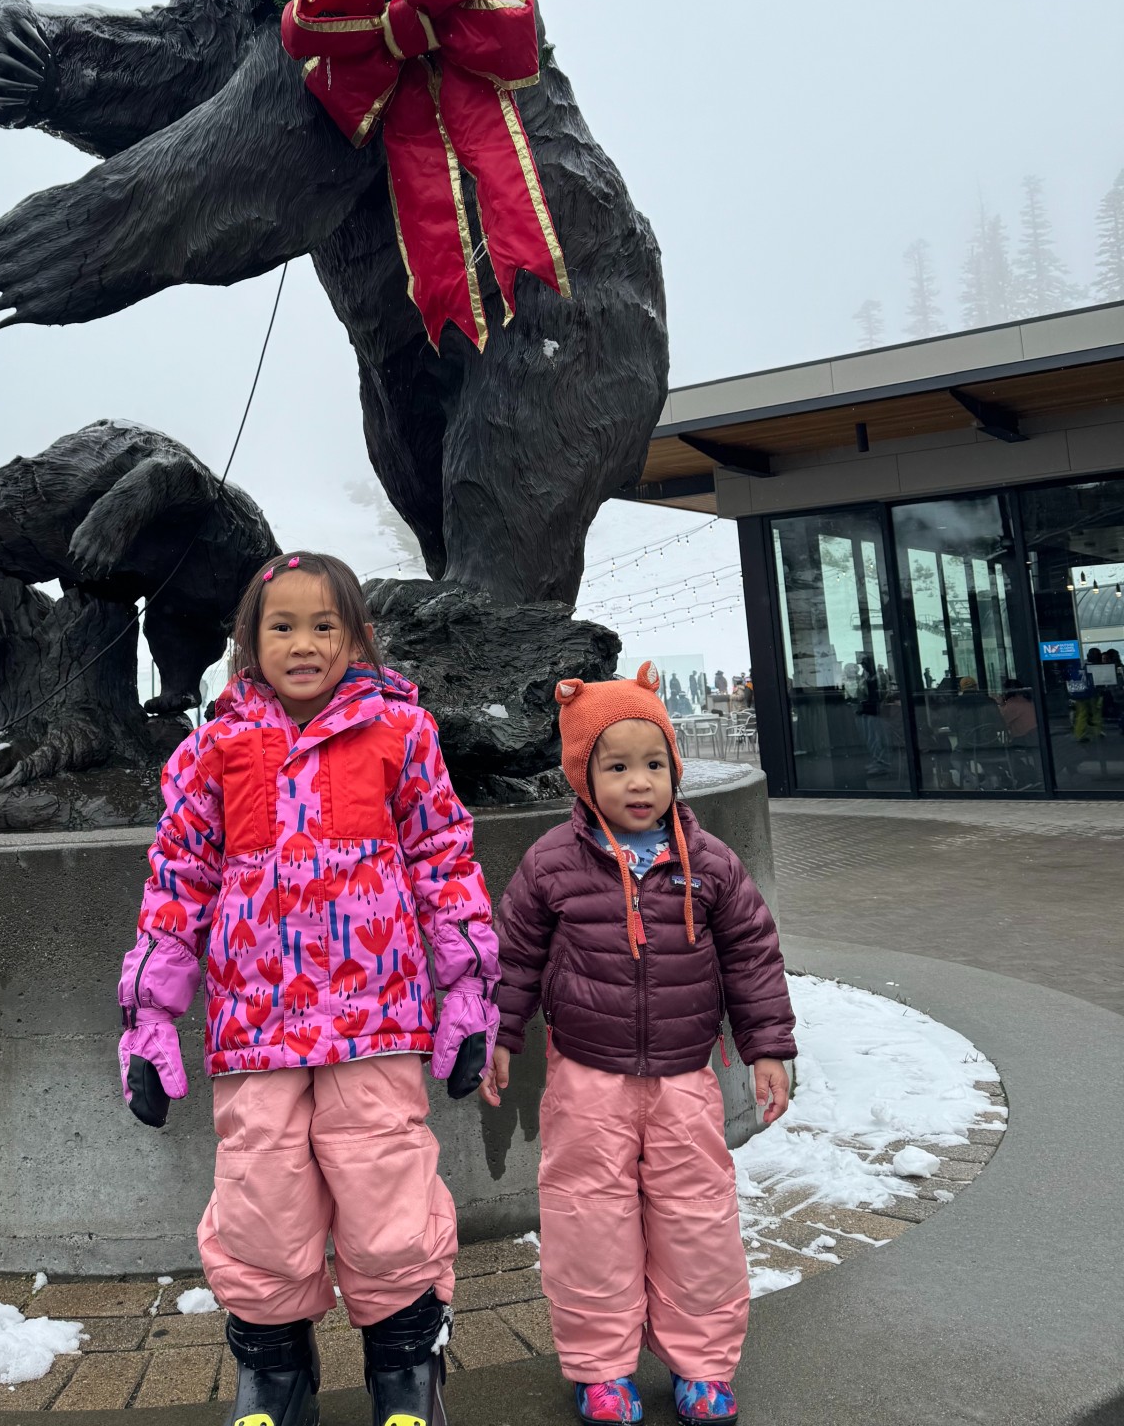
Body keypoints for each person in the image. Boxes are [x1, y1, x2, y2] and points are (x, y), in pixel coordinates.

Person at [118, 551, 499, 1426]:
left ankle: (406, 1372)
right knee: (261, 1196)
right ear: (248, 641)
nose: (304, 643)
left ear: (356, 636)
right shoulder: (212, 750)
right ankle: (274, 1375)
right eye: (281, 625)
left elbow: (446, 864)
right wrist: (150, 1018)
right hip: (258, 1027)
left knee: (387, 1193)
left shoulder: (403, 734)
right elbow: (177, 883)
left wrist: (470, 989)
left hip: (377, 1019)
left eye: (325, 625)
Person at [483, 664, 796, 1426]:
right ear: (583, 776)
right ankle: (601, 1367)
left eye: (654, 764)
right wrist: (498, 1034)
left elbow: (752, 958)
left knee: (699, 1217)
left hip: (688, 1077)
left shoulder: (710, 863)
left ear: (675, 770)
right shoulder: (552, 864)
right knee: (589, 1219)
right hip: (588, 1078)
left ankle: (702, 1363)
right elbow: (513, 957)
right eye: (616, 766)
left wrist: (769, 1048)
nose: (639, 782)